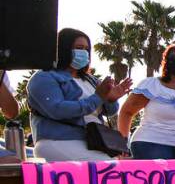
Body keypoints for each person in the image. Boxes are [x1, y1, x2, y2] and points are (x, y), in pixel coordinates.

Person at [27, 28, 132, 161]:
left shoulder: (91, 80)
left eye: (86, 49)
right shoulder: (44, 77)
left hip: (94, 142)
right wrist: (98, 97)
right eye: (79, 47)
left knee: (120, 167)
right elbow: (57, 110)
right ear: (63, 49)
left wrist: (110, 99)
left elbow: (108, 112)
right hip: (59, 141)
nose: (84, 52)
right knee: (108, 168)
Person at [117, 43, 175, 160]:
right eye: (174, 57)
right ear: (167, 61)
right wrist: (122, 144)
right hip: (151, 141)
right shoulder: (151, 85)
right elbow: (126, 112)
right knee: (159, 175)